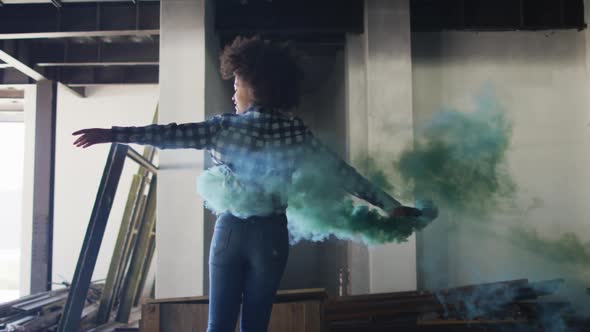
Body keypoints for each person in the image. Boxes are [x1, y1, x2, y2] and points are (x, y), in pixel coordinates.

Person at [72, 36, 424, 332]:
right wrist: (388, 203)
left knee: (218, 325)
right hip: (271, 236)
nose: (233, 93)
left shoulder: (224, 127)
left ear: (254, 87)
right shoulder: (295, 131)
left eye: (236, 85)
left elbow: (168, 135)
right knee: (255, 326)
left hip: (231, 232)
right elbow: (343, 173)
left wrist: (114, 134)